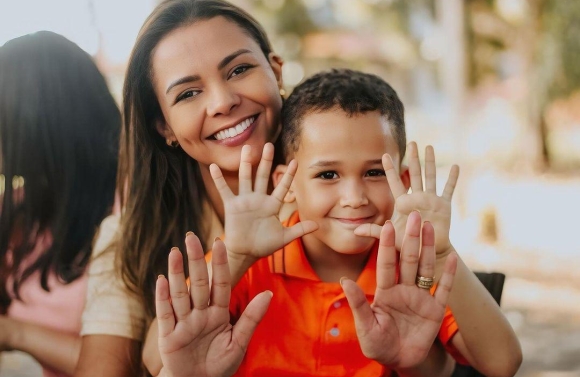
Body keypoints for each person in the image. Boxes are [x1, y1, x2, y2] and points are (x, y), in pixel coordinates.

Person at [147, 69, 522, 376]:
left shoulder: (415, 270)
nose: (355, 197)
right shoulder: (248, 264)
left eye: (375, 172)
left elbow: (503, 364)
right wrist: (238, 256)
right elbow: (157, 358)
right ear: (286, 185)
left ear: (403, 182)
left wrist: (440, 254)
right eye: (328, 175)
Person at [75, 1, 313, 376]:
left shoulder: (349, 198)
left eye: (239, 69)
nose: (222, 102)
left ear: (276, 70)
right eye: (187, 94)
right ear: (164, 127)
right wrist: (235, 258)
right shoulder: (128, 240)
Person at [0, 31, 120, 377]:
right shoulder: (18, 208)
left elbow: (125, 364)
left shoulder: (128, 209)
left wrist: (13, 333)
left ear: (35, 120)